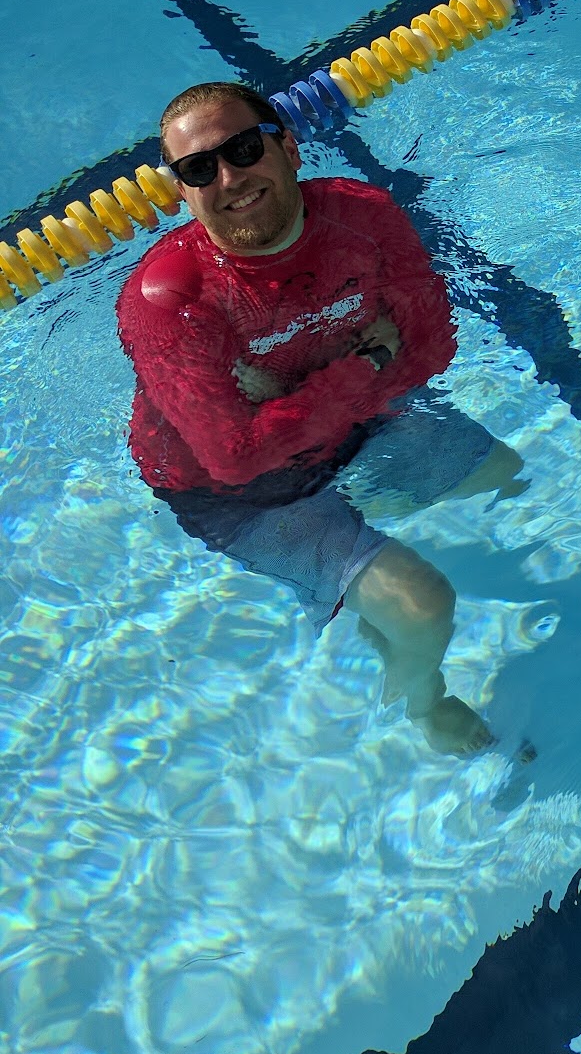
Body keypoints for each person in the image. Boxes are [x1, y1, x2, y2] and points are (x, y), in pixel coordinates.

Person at [116, 81, 527, 757]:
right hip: (241, 495)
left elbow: (432, 346)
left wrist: (287, 395)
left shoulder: (363, 219)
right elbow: (236, 457)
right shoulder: (169, 299)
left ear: (288, 146)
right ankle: (424, 702)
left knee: (504, 475)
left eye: (243, 150)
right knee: (424, 605)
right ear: (182, 192)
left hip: (349, 429)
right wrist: (363, 363)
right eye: (200, 168)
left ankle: (364, 582)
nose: (229, 179)